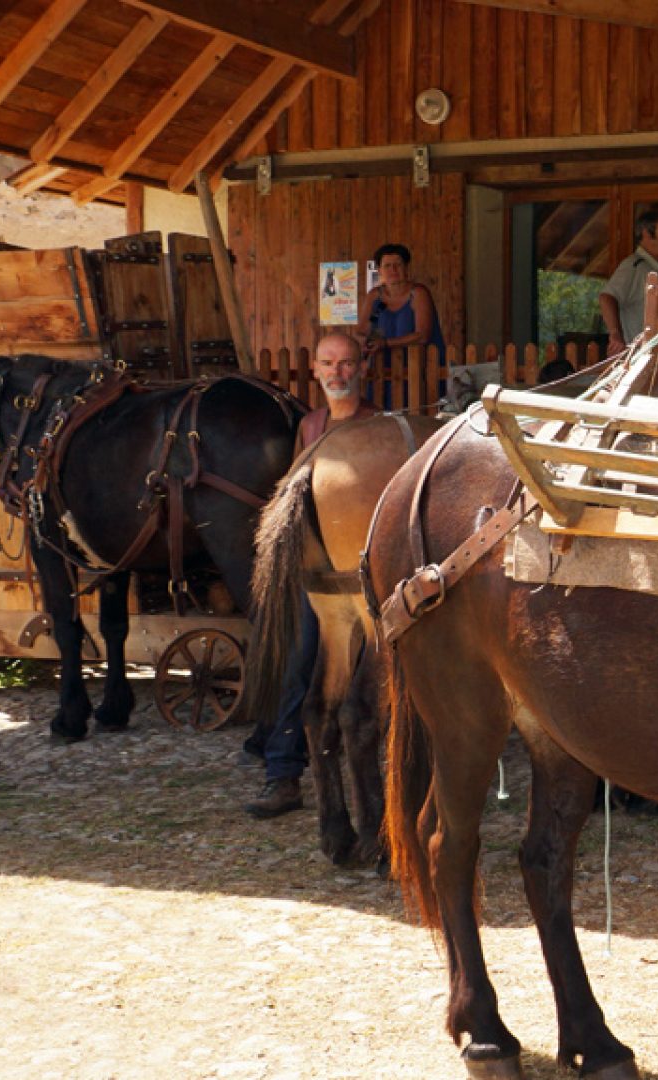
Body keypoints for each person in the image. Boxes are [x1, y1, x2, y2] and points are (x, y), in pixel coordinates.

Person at [242, 333, 380, 819]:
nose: (337, 373)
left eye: (345, 364)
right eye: (328, 364)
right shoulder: (310, 425)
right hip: (316, 570)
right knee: (299, 662)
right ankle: (283, 776)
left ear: (360, 368)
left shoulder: (377, 428)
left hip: (363, 574)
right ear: (316, 370)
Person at [599, 210, 658, 357]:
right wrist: (615, 335)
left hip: (656, 358)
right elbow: (607, 297)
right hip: (638, 359)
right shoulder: (634, 266)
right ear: (647, 234)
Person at [358, 243, 446, 360]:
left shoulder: (418, 294)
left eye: (398, 265)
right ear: (379, 270)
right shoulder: (375, 296)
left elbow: (422, 336)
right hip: (382, 369)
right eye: (387, 266)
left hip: (420, 367)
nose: (393, 270)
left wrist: (385, 343)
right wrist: (363, 341)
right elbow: (363, 330)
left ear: (406, 267)